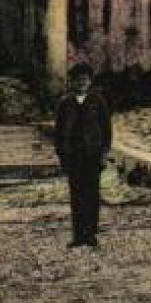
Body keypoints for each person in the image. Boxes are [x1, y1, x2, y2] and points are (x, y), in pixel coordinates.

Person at [53, 63, 112, 248]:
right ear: (72, 82)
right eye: (77, 80)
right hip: (74, 157)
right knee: (76, 195)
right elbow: (59, 133)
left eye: (85, 80)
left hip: (93, 155)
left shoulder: (98, 102)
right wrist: (63, 156)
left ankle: (91, 234)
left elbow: (107, 130)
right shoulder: (65, 103)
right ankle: (78, 235)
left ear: (90, 82)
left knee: (92, 195)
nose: (81, 83)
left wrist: (104, 154)